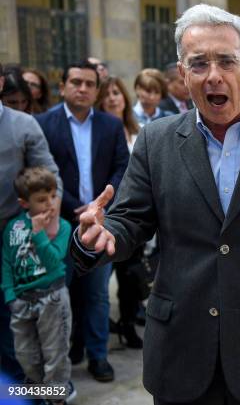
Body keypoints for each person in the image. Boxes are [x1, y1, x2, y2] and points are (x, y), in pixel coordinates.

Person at [70, 4, 240, 405]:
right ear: (181, 73)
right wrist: (100, 236)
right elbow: (128, 221)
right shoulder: (155, 141)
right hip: (180, 349)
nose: (214, 75)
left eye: (227, 61)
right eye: (198, 64)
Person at [35, 60, 129, 382]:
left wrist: (102, 203)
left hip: (99, 225)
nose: (83, 88)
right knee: (61, 295)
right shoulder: (43, 124)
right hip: (59, 225)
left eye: (90, 84)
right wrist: (78, 207)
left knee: (98, 295)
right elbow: (44, 174)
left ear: (97, 90)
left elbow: (122, 167)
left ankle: (98, 355)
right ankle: (66, 355)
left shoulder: (111, 125)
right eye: (76, 82)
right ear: (62, 87)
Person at [0, 62, 63, 383]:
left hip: (18, 244)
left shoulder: (23, 125)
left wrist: (48, 228)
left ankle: (40, 394)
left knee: (29, 338)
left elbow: (50, 177)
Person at [1, 167, 76, 404]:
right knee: (26, 355)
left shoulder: (61, 226)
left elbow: (54, 261)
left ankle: (56, 399)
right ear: (24, 203)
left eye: (53, 196)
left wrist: (39, 234)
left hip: (52, 297)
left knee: (55, 355)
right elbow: (6, 262)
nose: (50, 204)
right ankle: (38, 395)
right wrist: (10, 296)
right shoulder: (13, 228)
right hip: (22, 302)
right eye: (41, 200)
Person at [95, 76, 144, 348]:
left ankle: (128, 323)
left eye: (117, 93)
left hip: (136, 216)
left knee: (130, 279)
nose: (113, 98)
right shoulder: (100, 132)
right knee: (103, 283)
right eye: (107, 94)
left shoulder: (140, 131)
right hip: (108, 215)